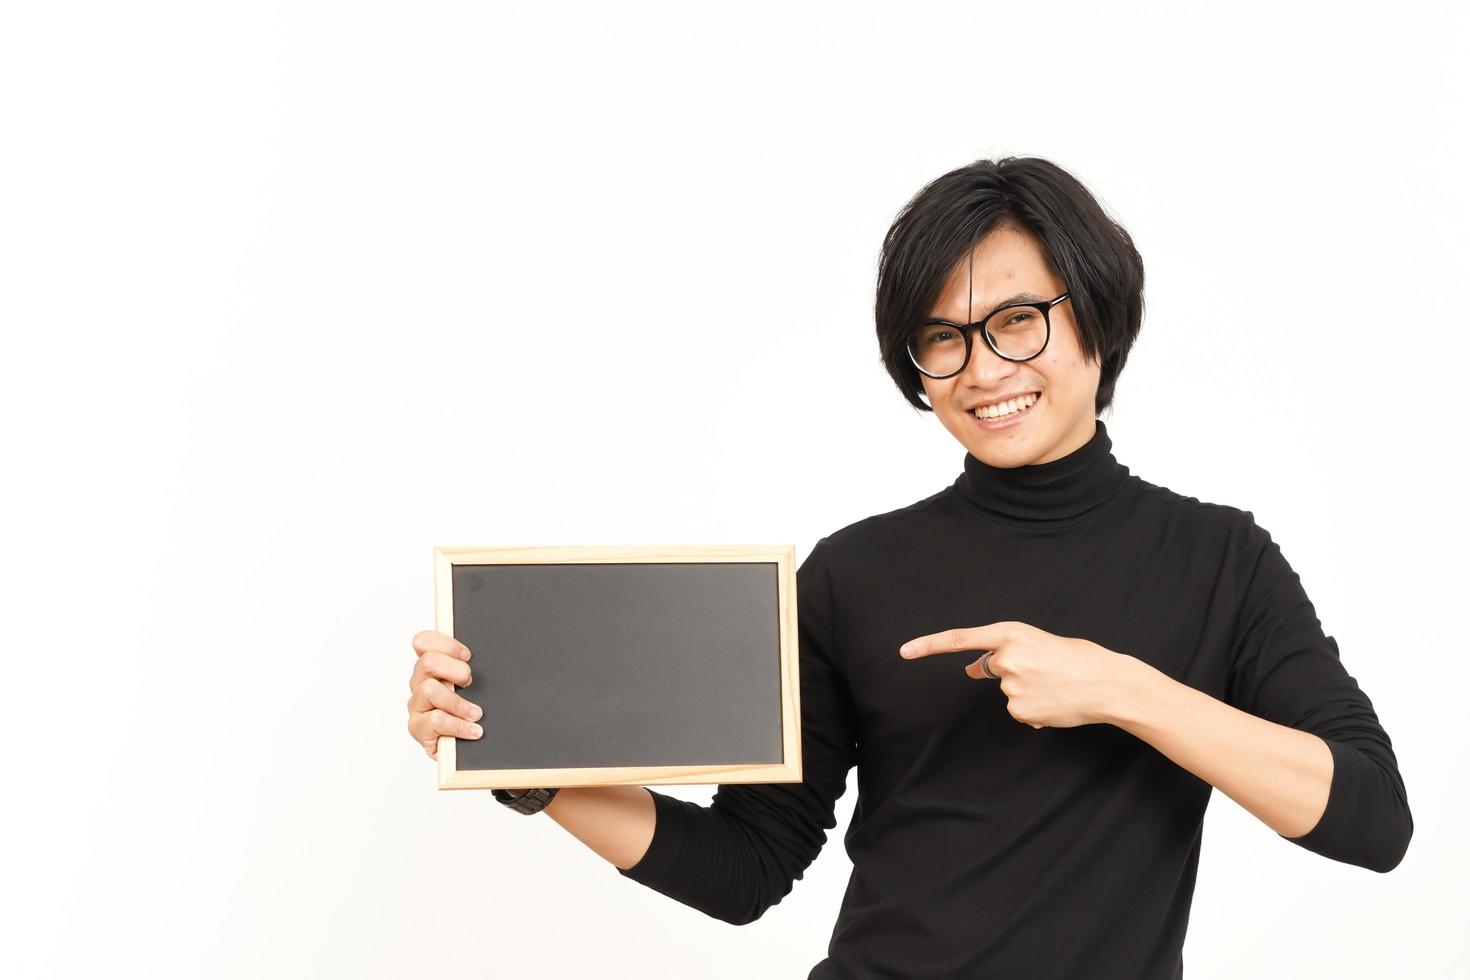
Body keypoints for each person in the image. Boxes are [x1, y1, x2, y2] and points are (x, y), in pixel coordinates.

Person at [405, 156, 1412, 978]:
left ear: (1096, 318)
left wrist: (1126, 689)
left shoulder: (1219, 558)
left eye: (1017, 320)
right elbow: (747, 864)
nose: (982, 368)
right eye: (943, 338)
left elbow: (1371, 816)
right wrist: (526, 768)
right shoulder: (853, 573)